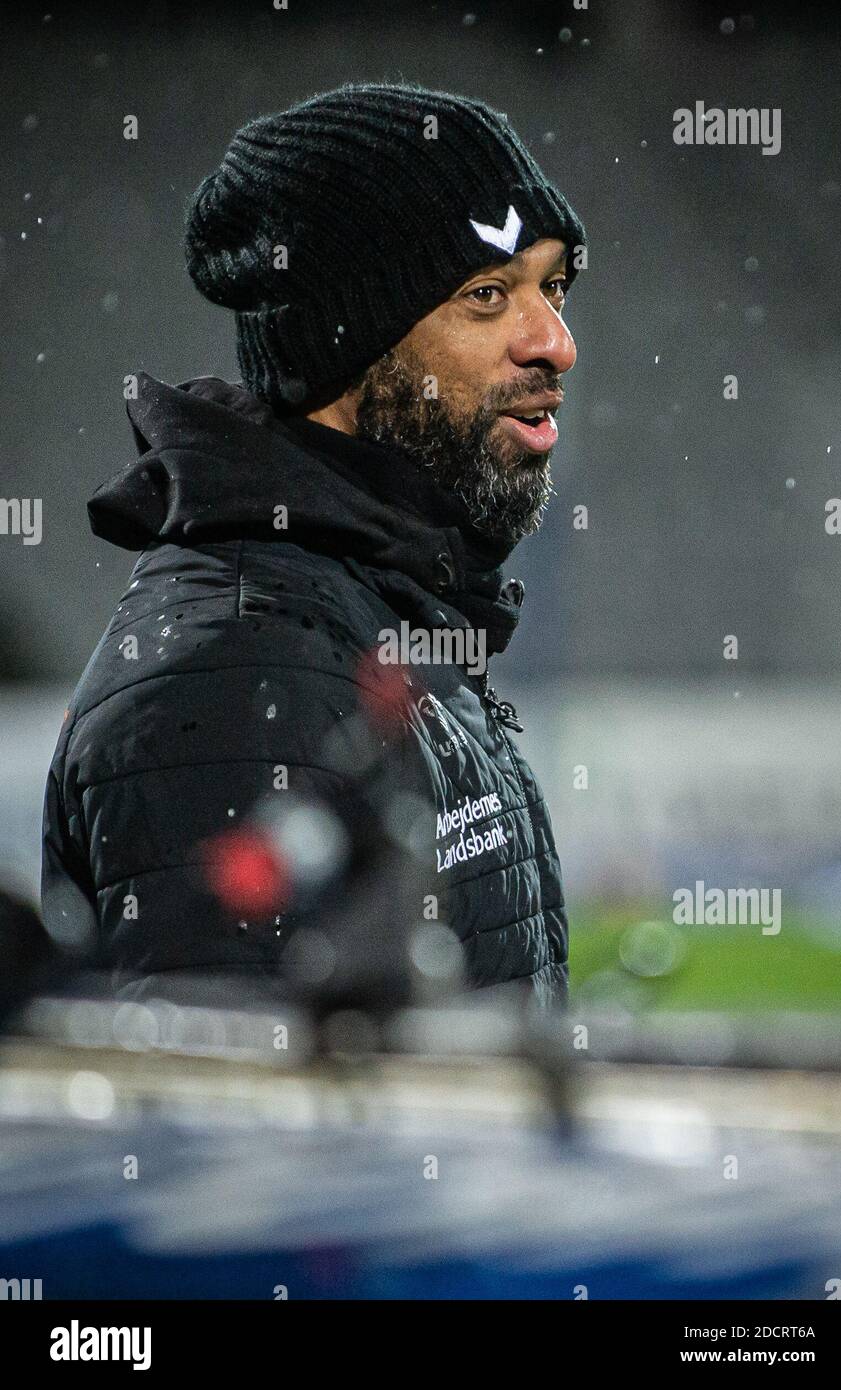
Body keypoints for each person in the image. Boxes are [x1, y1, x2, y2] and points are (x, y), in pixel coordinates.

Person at [42, 82, 586, 1007]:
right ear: (349, 347)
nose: (555, 343)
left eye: (554, 287)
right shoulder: (236, 681)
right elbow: (236, 1137)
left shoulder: (373, 608)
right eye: (487, 294)